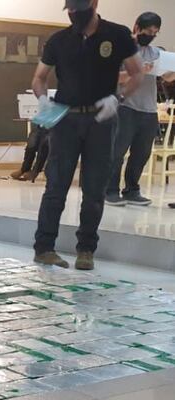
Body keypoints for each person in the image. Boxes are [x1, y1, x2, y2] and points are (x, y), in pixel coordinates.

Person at [32, 0, 143, 271]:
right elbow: (39, 77)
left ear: (93, 3)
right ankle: (44, 248)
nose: (74, 14)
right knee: (56, 186)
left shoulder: (117, 35)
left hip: (101, 118)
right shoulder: (59, 40)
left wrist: (118, 98)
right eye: (70, 10)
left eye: (78, 9)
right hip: (66, 119)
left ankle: (86, 249)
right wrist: (43, 99)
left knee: (94, 189)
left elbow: (137, 73)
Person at [107, 12, 175, 207]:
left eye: (155, 32)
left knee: (141, 153)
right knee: (117, 151)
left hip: (149, 109)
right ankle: (110, 190)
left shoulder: (156, 53)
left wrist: (172, 71)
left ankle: (132, 190)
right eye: (148, 31)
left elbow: (166, 77)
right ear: (137, 27)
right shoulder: (123, 49)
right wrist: (138, 71)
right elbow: (113, 77)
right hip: (125, 106)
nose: (151, 35)